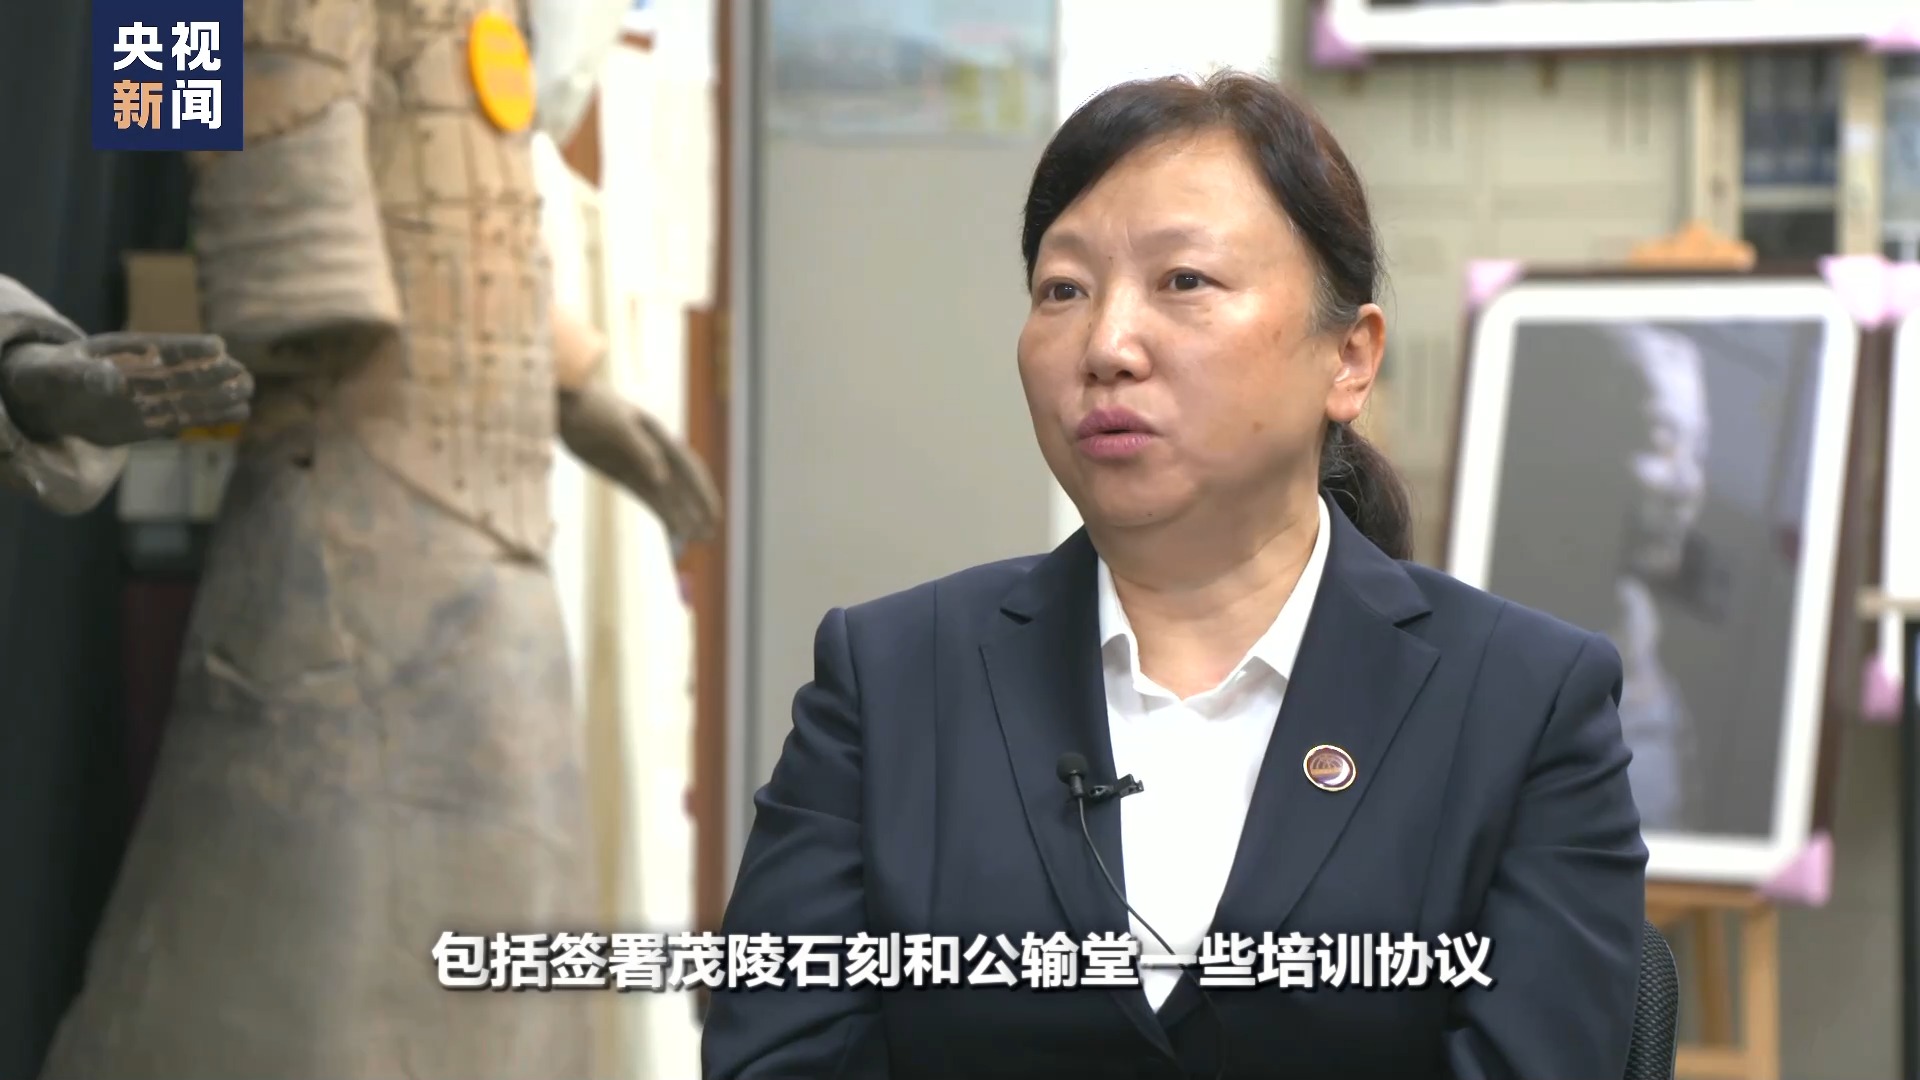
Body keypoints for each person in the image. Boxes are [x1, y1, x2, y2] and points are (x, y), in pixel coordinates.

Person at [702, 71, 1647, 1079]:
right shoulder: (890, 678)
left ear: (1350, 358)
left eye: (1183, 281)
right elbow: (774, 1057)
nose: (1107, 346)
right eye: (1063, 290)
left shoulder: (1525, 704)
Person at [1485, 322, 1728, 834]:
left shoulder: (1669, 657)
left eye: (1700, 451)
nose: (1688, 483)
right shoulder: (1501, 655)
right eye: (1663, 441)